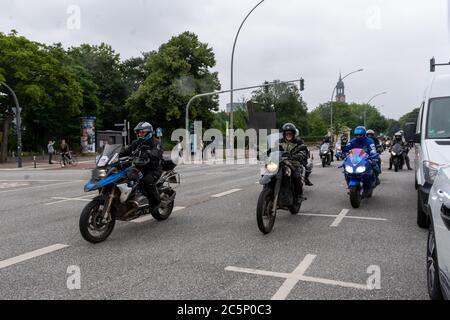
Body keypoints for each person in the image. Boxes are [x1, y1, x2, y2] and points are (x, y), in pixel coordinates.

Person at [120, 122, 163, 213]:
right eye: (139, 132)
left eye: (142, 132)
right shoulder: (137, 142)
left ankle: (155, 202)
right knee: (124, 178)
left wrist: (150, 153)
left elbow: (157, 152)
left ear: (149, 132)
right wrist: (117, 154)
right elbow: (126, 151)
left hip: (153, 168)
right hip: (139, 167)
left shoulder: (155, 142)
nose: (140, 134)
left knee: (146, 181)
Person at [271, 123, 313, 193]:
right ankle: (268, 191)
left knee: (296, 177)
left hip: (293, 163)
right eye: (287, 133)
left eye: (290, 133)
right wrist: (264, 153)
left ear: (293, 134)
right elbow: (272, 150)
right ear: (284, 134)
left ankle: (298, 195)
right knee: (269, 174)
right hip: (280, 162)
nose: (288, 135)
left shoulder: (298, 142)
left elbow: (303, 150)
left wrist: (299, 155)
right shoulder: (279, 142)